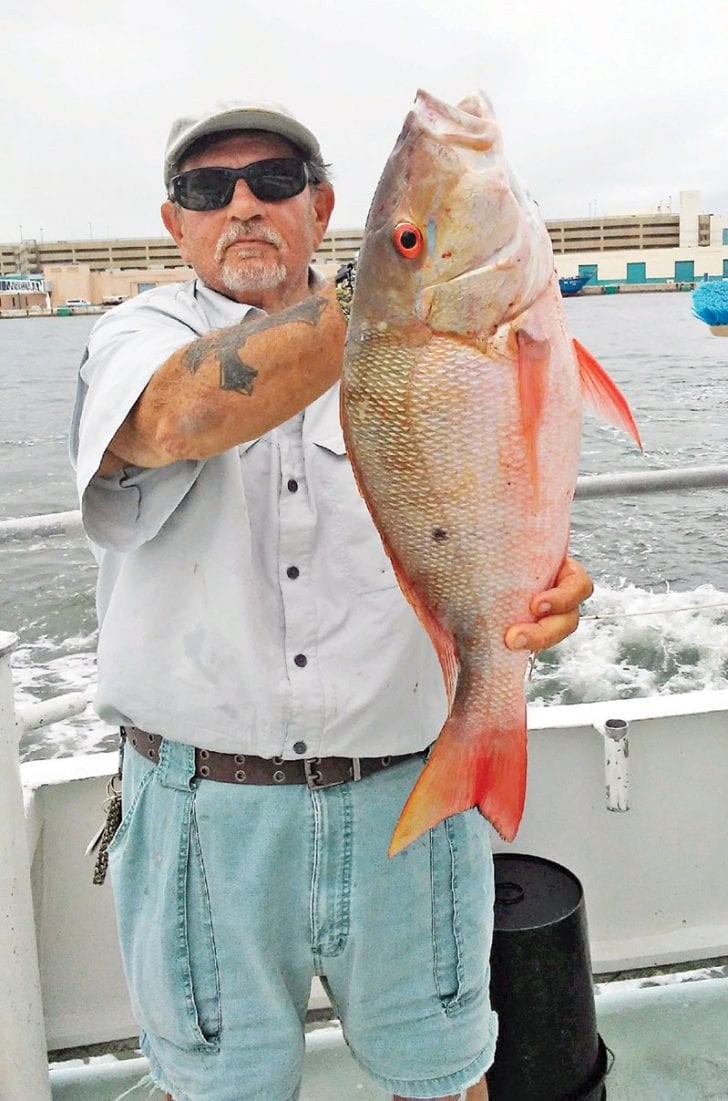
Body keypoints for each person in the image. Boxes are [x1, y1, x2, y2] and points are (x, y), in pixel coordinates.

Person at [70, 100, 593, 1101]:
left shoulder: (448, 326)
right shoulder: (136, 335)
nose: (242, 205)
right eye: (204, 189)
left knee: (441, 1079)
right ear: (173, 223)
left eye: (273, 181)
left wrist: (543, 588)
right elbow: (175, 415)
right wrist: (412, 284)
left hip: (407, 783)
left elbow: (502, 492)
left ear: (321, 205)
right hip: (201, 815)